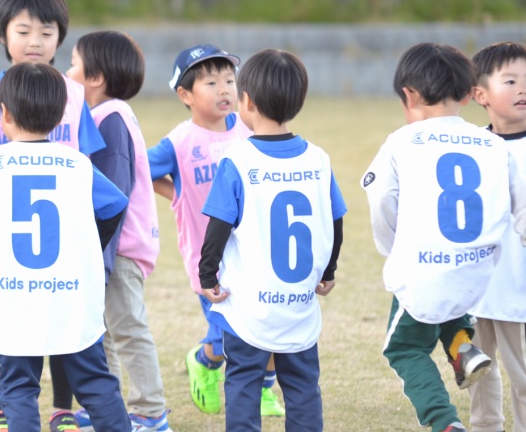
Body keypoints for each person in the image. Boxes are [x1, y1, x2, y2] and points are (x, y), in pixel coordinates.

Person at [0, 62, 131, 432]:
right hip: (71, 296)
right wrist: (89, 249)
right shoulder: (77, 164)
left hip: (15, 298)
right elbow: (114, 206)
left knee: (17, 390)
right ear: (62, 115)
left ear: (4, 115)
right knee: (95, 384)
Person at [0, 0, 104, 432]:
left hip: (63, 235)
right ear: (3, 36)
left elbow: (87, 160)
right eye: (23, 31)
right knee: (0, 321)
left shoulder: (74, 94)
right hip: (6, 240)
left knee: (64, 318)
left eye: (46, 31)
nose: (35, 41)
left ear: (61, 37)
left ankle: (62, 408)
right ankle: (4, 411)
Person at [361, 42, 526, 432]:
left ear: (409, 95)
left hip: (424, 270)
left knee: (403, 346)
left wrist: (392, 247)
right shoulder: (492, 144)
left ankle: (445, 422)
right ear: (470, 94)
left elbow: (382, 198)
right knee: (452, 306)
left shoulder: (402, 142)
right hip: (476, 275)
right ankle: (461, 346)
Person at [199, 49, 346, 432]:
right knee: (301, 387)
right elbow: (336, 220)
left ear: (246, 101)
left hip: (249, 306)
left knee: (244, 383)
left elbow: (217, 226)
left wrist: (207, 276)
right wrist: (329, 271)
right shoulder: (318, 159)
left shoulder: (238, 159)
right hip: (298, 302)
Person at [147, 44, 285, 417]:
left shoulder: (248, 127)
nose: (224, 89)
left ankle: (264, 390)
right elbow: (140, 169)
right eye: (211, 82)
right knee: (229, 334)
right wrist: (176, 194)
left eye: (228, 80)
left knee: (270, 321)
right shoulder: (179, 141)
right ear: (185, 95)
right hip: (210, 258)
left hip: (256, 251)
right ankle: (204, 361)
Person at [65, 31, 171, 431]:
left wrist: (100, 257)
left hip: (118, 249)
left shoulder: (110, 120)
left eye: (73, 63)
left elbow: (113, 196)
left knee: (126, 328)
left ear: (95, 77)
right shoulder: (103, 117)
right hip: (108, 247)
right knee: (103, 330)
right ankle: (102, 408)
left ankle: (150, 412)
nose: (67, 70)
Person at [468, 41, 526, 432]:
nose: (523, 88)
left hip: (519, 286)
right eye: (510, 81)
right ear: (480, 95)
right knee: (475, 373)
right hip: (475, 286)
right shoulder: (470, 146)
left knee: (523, 379)